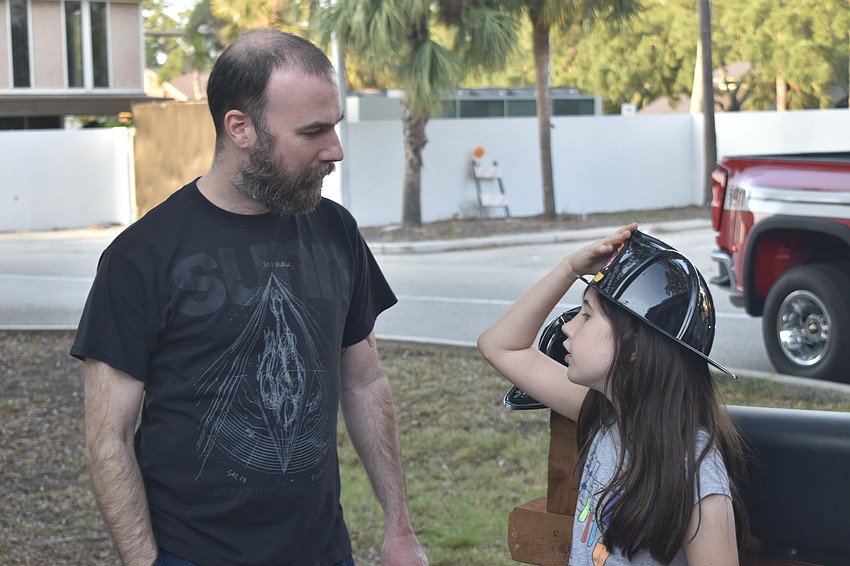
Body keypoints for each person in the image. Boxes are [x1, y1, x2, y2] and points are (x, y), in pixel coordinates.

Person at [71, 30, 427, 566]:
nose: (335, 150)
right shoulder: (140, 256)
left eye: (334, 125)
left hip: (324, 551)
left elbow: (364, 380)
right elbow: (109, 438)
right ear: (240, 128)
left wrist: (399, 529)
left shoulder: (334, 230)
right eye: (314, 132)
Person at [478, 225, 749, 565]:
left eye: (587, 315)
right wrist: (568, 269)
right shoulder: (607, 415)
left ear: (632, 346)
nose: (568, 326)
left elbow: (502, 348)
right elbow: (499, 346)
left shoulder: (695, 474)